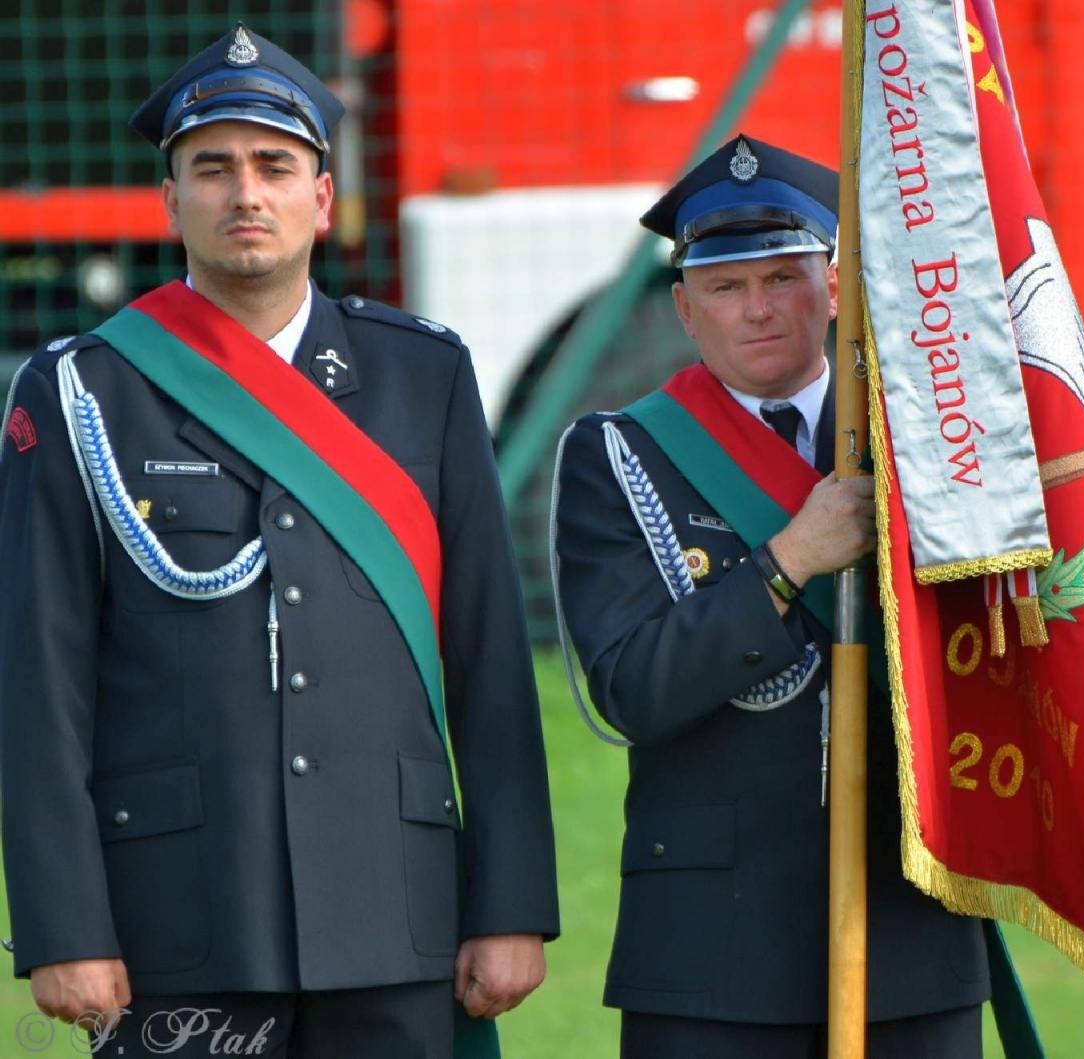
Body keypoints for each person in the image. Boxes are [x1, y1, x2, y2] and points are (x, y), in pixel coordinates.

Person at [0, 24, 558, 1058]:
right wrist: (63, 928)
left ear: (323, 197)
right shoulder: (84, 389)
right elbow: (41, 679)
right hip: (177, 921)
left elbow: (489, 659)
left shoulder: (421, 378)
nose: (244, 194)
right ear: (172, 202)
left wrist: (512, 902)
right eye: (211, 169)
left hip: (399, 915)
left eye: (273, 166)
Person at [551, 133, 990, 1057]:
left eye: (784, 277)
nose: (758, 309)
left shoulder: (920, 437)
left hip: (905, 925)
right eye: (725, 286)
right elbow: (633, 688)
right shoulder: (622, 454)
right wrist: (790, 559)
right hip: (711, 947)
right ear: (684, 308)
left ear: (835, 287)